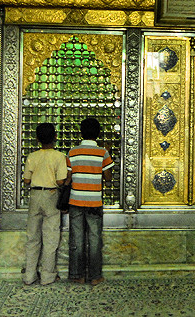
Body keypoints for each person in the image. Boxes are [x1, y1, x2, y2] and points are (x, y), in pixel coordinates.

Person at [67, 118, 114, 286]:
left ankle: (77, 275)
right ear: (98, 133)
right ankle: (95, 276)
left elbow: (68, 178)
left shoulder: (72, 152)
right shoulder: (103, 152)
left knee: (77, 240)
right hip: (94, 202)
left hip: (76, 200)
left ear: (81, 132)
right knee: (94, 240)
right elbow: (108, 178)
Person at [22, 122, 67, 286]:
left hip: (35, 195)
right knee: (50, 238)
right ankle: (48, 276)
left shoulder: (32, 157)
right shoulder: (59, 156)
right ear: (55, 137)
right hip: (51, 195)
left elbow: (26, 180)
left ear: (37, 139)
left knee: (32, 238)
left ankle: (29, 275)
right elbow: (61, 180)